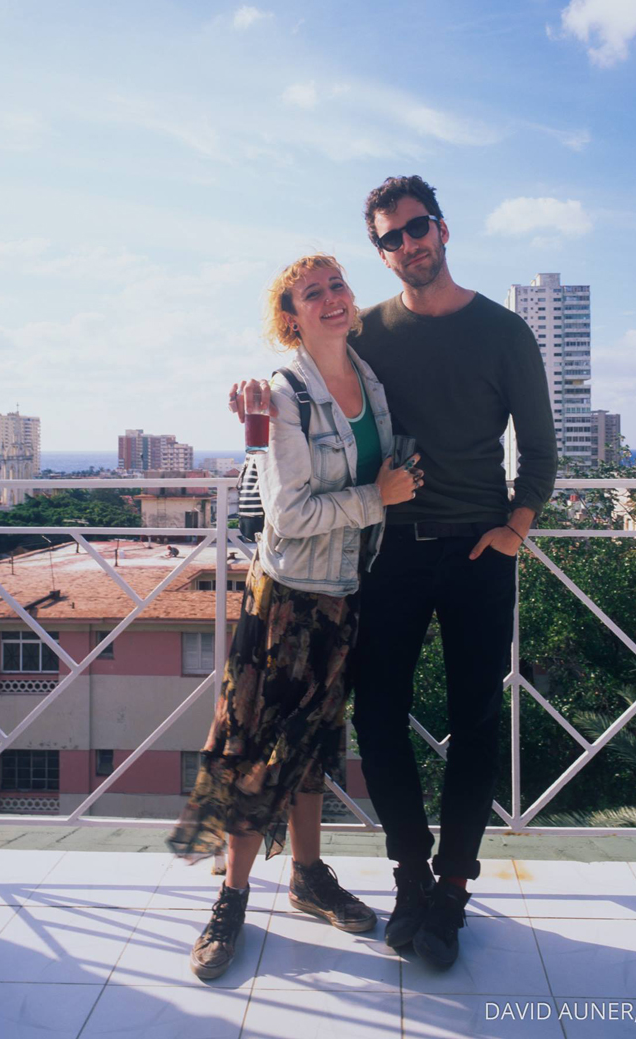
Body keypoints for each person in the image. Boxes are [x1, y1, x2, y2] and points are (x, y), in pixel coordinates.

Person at [232, 176, 557, 970]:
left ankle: (452, 889)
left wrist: (516, 525)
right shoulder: (368, 331)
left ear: (443, 231)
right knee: (379, 721)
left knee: (475, 723)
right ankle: (410, 878)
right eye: (390, 237)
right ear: (381, 251)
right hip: (391, 550)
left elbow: (542, 451)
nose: (407, 244)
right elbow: (308, 375)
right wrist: (251, 398)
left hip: (483, 549)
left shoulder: (505, 331)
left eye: (418, 229)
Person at [170, 253, 423, 982]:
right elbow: (286, 513)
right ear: (290, 318)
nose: (332, 300)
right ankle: (231, 899)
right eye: (312, 294)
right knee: (256, 753)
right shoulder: (286, 394)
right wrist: (382, 498)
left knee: (312, 747)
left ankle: (307, 877)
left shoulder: (367, 381)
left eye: (338, 286)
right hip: (287, 601)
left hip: (345, 594)